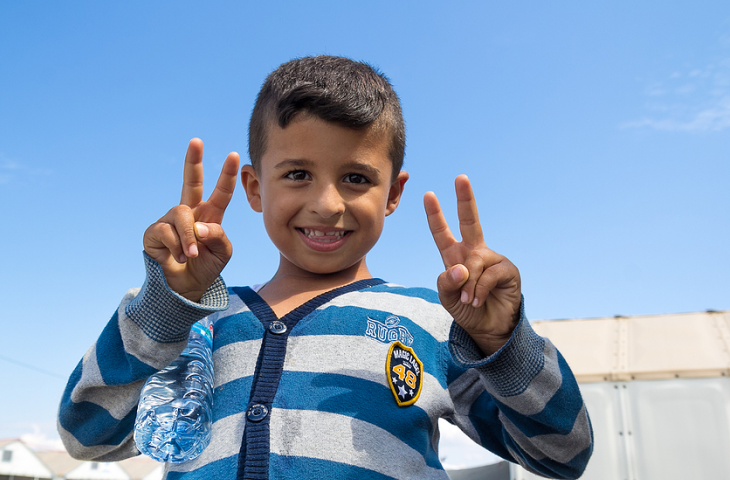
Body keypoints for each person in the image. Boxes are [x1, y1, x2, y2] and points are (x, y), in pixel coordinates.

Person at [58, 56, 592, 480]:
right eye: (296, 173)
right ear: (254, 188)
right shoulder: (197, 323)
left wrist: (504, 342)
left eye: (356, 178)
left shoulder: (435, 323)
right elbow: (87, 435)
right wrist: (164, 307)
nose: (328, 204)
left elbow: (562, 454)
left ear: (393, 194)